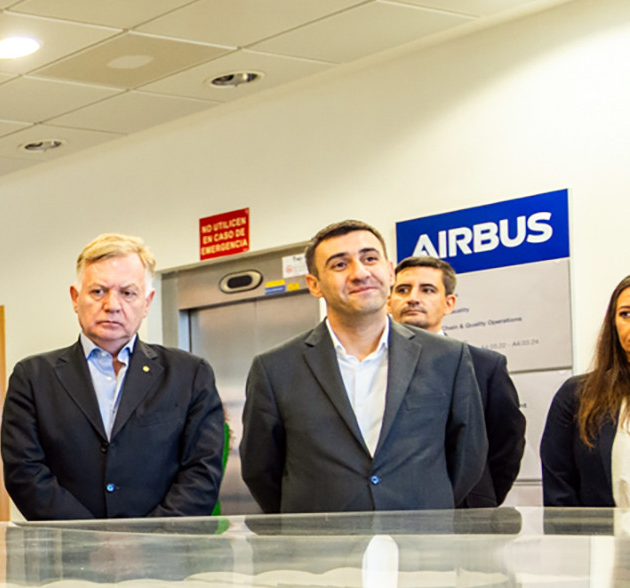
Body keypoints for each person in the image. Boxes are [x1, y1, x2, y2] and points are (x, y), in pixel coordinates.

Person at [241, 220, 486, 514]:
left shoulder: (448, 357)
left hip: (421, 536)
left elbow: (468, 458)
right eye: (339, 264)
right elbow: (261, 471)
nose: (359, 273)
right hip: (320, 538)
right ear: (314, 285)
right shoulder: (275, 368)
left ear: (390, 271)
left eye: (370, 259)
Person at [1, 233, 224, 520]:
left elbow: (203, 471)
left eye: (128, 293)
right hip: (66, 544)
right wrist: (88, 538)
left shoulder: (190, 375)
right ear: (75, 298)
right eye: (98, 291)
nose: (112, 305)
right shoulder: (32, 378)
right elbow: (24, 473)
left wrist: (149, 537)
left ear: (147, 302)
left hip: (164, 544)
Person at [387, 255, 525, 507]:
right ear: (388, 302)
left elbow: (506, 444)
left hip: (464, 511)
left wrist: (478, 497)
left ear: (449, 303)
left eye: (427, 290)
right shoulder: (372, 366)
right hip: (389, 508)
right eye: (402, 290)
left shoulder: (486, 366)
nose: (413, 298)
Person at [540, 273, 630, 507]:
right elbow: (558, 490)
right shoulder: (577, 395)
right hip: (602, 531)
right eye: (626, 314)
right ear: (612, 323)